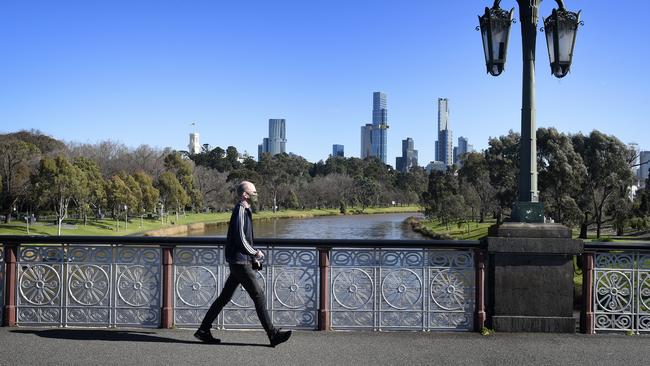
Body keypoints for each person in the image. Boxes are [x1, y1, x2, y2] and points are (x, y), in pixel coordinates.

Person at [194, 181, 292, 347]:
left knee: (224, 298)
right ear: (245, 195)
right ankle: (273, 334)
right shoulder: (240, 210)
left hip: (240, 260)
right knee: (258, 295)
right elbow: (240, 238)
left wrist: (252, 257)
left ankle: (203, 330)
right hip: (239, 262)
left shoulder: (246, 210)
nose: (256, 195)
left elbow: (246, 238)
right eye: (253, 192)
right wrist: (254, 253)